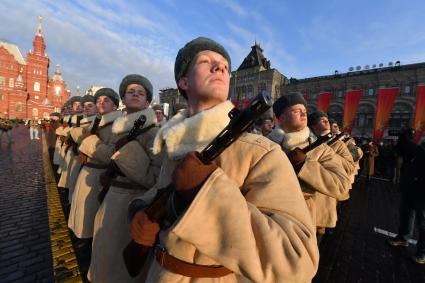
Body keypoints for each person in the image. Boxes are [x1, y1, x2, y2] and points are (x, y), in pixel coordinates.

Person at [129, 37, 319, 282]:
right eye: (206, 61)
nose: (219, 67)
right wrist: (140, 210)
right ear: (183, 82)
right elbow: (160, 189)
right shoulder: (174, 144)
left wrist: (206, 192)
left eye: (225, 67)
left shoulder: (262, 152)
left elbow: (298, 260)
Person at [88, 75, 162, 283]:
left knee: (119, 268)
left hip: (131, 202)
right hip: (111, 197)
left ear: (148, 102)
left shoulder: (154, 133)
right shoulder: (117, 129)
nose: (136, 93)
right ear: (123, 99)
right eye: (131, 91)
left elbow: (155, 178)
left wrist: (127, 151)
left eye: (141, 92)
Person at [272, 93, 351, 241]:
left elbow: (342, 185)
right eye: (296, 111)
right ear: (281, 118)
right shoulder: (265, 144)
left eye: (305, 111)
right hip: (270, 220)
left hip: (305, 221)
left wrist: (305, 165)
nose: (303, 114)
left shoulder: (320, 149)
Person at [68, 89, 122, 246]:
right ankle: (81, 234)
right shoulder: (96, 121)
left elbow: (112, 154)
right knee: (82, 208)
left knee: (91, 212)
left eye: (106, 100)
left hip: (100, 173)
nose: (101, 103)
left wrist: (89, 142)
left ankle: (88, 240)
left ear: (115, 105)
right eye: (98, 100)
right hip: (87, 169)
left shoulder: (117, 125)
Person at [308, 111, 355, 238]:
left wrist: (327, 154)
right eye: (322, 120)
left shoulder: (337, 143)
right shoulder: (306, 141)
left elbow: (350, 167)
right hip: (306, 200)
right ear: (312, 125)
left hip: (325, 196)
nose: (326, 122)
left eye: (326, 119)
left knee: (318, 237)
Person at [387, 128, 425, 264]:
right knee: (406, 213)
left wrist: (405, 141)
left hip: (422, 191)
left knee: (423, 222)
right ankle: (403, 238)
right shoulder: (418, 148)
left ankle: (422, 253)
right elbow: (403, 154)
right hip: (411, 187)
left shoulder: (417, 149)